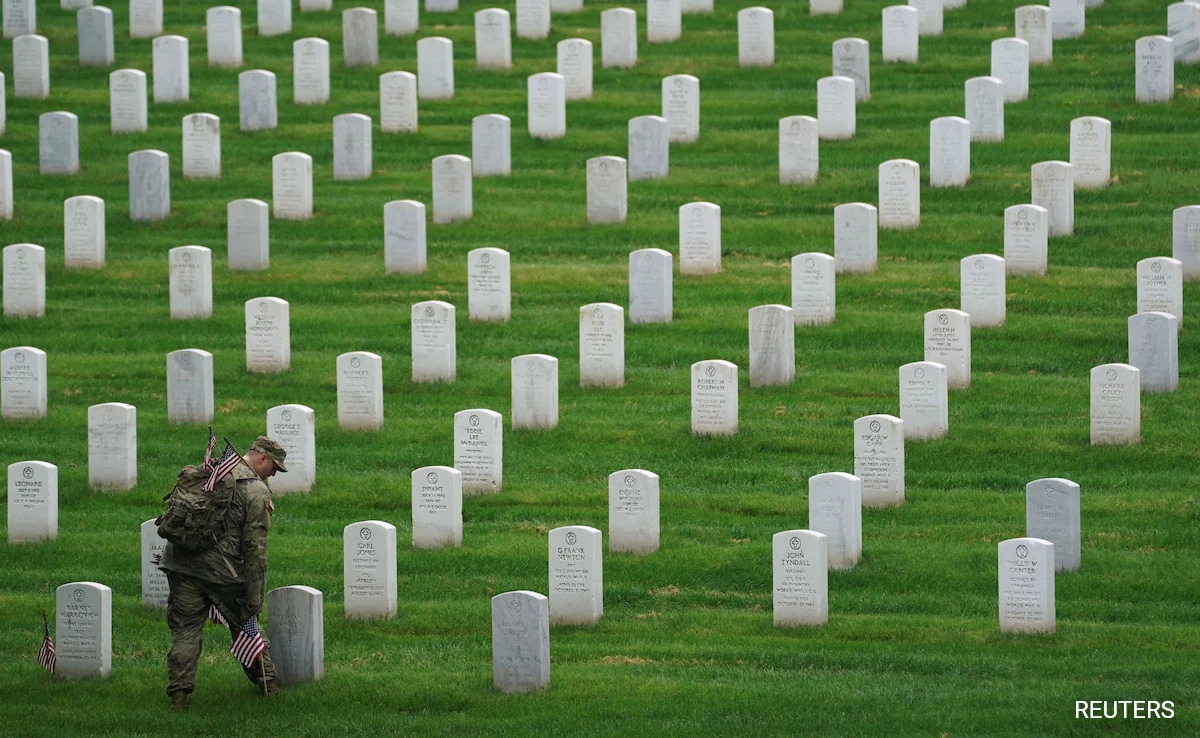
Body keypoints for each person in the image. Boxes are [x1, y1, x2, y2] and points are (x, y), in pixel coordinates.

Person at [160, 436, 288, 709]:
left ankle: (179, 696)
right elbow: (255, 549)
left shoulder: (208, 472)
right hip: (223, 573)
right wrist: (254, 597)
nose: (274, 474)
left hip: (181, 564)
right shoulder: (255, 491)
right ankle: (270, 685)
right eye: (274, 467)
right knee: (247, 626)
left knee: (185, 630)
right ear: (262, 458)